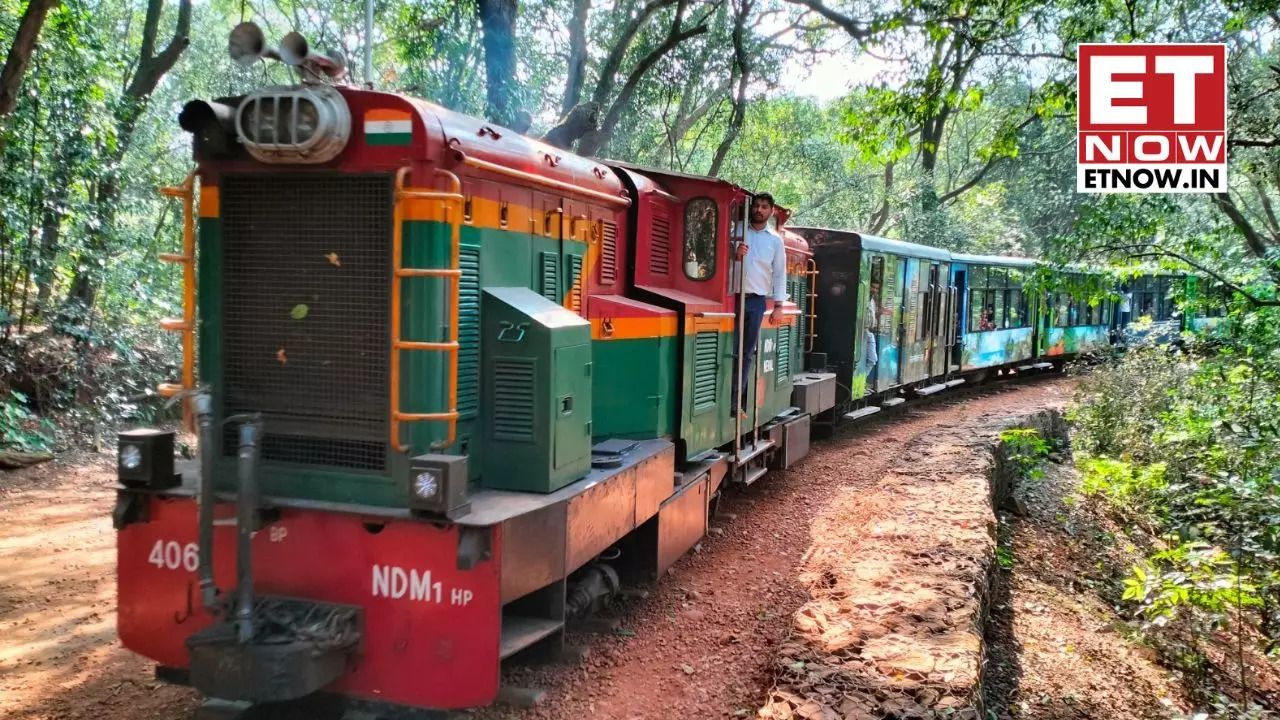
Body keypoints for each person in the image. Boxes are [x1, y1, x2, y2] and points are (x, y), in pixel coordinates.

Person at [731, 192, 787, 420]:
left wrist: (779, 305)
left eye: (764, 207)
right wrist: (734, 255)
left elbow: (780, 273)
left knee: (746, 352)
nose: (759, 210)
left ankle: (736, 402)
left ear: (771, 211)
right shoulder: (735, 231)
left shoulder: (775, 240)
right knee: (729, 350)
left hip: (756, 300)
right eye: (756, 205)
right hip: (729, 297)